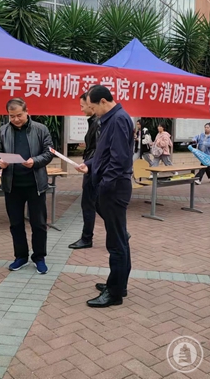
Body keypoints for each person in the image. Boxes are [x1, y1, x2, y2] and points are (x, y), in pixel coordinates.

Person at [76, 85, 133, 308]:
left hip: (114, 189)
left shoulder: (118, 119)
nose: (91, 111)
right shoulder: (110, 119)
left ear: (103, 102)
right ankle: (118, 284)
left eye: (92, 107)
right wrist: (89, 165)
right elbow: (103, 153)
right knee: (119, 239)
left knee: (116, 243)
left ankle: (114, 293)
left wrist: (104, 186)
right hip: (111, 186)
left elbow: (119, 160)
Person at [0, 98, 54, 274]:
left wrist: (35, 161)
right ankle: (20, 256)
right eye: (12, 116)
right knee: (16, 223)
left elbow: (49, 152)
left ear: (27, 112)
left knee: (38, 223)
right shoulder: (3, 131)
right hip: (12, 185)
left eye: (19, 115)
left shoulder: (40, 129)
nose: (16, 119)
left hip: (35, 184)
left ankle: (39, 257)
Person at [68, 93, 99, 250]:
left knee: (89, 204)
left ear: (90, 104)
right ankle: (120, 231)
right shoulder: (96, 121)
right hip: (93, 167)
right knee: (99, 203)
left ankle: (87, 238)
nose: (81, 109)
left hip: (93, 169)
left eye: (82, 106)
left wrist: (88, 164)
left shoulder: (98, 123)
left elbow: (99, 150)